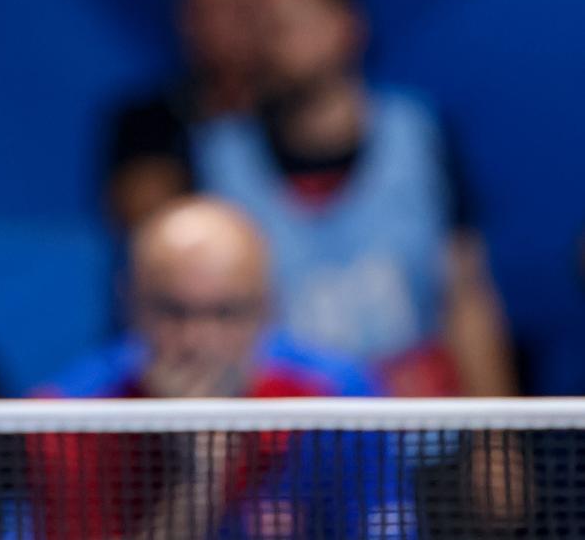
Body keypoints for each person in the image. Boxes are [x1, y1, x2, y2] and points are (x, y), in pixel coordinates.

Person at [191, 0, 515, 398]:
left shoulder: (420, 136)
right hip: (285, 429)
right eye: (264, 21)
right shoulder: (216, 161)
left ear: (350, 24)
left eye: (299, 14)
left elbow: (467, 297)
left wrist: (495, 430)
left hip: (419, 426)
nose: (281, 33)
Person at [29, 197, 406, 539]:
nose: (198, 341)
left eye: (226, 312)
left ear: (268, 307)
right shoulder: (69, 421)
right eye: (173, 311)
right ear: (130, 302)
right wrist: (199, 479)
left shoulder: (338, 402)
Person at [102, 0, 264, 233]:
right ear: (185, 19)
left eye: (244, 4)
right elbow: (154, 226)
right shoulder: (146, 123)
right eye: (214, 4)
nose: (235, 21)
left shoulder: (302, 115)